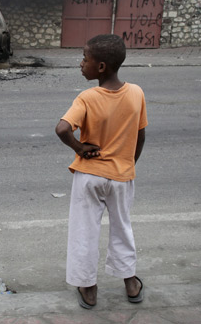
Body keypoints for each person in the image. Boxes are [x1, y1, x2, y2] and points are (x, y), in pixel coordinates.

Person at [55, 34, 147, 309]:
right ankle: (130, 283)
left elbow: (62, 129)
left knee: (85, 231)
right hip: (121, 175)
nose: (81, 63)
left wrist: (80, 148)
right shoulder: (136, 93)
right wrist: (127, 164)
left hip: (89, 177)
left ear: (101, 67)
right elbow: (140, 136)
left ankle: (89, 288)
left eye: (85, 58)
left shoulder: (87, 97)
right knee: (122, 228)